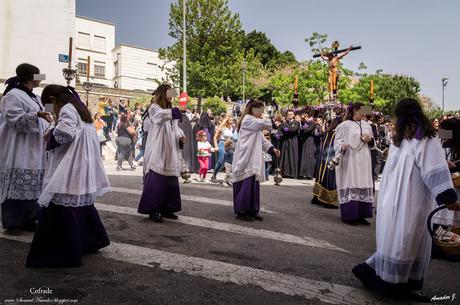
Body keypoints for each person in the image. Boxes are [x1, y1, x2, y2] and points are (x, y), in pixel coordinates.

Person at [352, 98, 459, 302]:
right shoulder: (424, 137)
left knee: (397, 239)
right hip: (411, 199)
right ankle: (392, 284)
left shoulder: (400, 138)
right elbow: (433, 168)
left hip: (391, 198)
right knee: (406, 239)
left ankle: (375, 273)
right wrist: (448, 196)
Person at [26, 85, 110, 268]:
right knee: (79, 203)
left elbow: (64, 134)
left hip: (71, 165)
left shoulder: (67, 109)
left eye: (50, 105)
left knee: (60, 203)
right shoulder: (80, 109)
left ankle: (62, 252)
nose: (52, 110)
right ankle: (90, 241)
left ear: (54, 100)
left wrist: (49, 135)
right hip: (82, 164)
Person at [0, 63, 53, 231]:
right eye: (39, 76)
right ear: (32, 77)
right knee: (19, 184)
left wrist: (51, 103)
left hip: (37, 148)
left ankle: (30, 219)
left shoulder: (35, 97)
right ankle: (14, 221)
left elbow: (46, 112)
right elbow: (14, 120)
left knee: (36, 186)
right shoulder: (12, 96)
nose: (41, 79)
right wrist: (36, 115)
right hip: (20, 149)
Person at [137, 84, 184, 223]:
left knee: (170, 180)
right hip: (158, 146)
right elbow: (158, 117)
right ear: (163, 93)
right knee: (156, 178)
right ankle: (153, 209)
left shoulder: (170, 109)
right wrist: (173, 112)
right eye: (169, 93)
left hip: (170, 147)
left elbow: (175, 128)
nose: (172, 96)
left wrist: (181, 135)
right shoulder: (154, 108)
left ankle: (167, 208)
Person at [232, 100, 280, 222]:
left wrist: (272, 149)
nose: (262, 113)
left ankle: (252, 210)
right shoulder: (248, 119)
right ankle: (242, 211)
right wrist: (272, 115)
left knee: (253, 185)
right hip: (246, 158)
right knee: (246, 184)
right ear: (254, 110)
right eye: (261, 111)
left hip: (252, 158)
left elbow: (262, 139)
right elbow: (266, 124)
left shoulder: (254, 123)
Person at [334, 102, 375, 225]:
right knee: (351, 182)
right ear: (356, 110)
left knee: (362, 183)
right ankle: (350, 215)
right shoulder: (344, 125)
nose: (366, 112)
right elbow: (337, 142)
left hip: (364, 158)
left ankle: (362, 215)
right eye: (364, 110)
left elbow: (374, 144)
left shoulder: (367, 125)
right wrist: (342, 145)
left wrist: (370, 140)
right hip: (350, 158)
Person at [311, 117, 341, 208]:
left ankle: (316, 197)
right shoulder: (336, 133)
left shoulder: (328, 131)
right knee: (330, 177)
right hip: (330, 156)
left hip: (323, 155)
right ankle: (327, 201)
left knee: (320, 176)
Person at [211, 115, 234, 183]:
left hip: (229, 144)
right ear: (226, 121)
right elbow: (215, 137)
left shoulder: (232, 128)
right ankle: (214, 175)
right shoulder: (223, 127)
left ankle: (227, 178)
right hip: (222, 143)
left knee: (230, 162)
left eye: (232, 120)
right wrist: (216, 146)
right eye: (230, 120)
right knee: (221, 161)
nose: (231, 121)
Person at [279, 110, 300, 178]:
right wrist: (288, 129)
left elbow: (294, 130)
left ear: (293, 115)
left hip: (293, 141)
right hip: (285, 141)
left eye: (291, 114)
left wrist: (287, 129)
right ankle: (285, 173)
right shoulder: (284, 123)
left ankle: (293, 173)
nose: (289, 115)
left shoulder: (296, 122)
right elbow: (282, 129)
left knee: (292, 156)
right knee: (285, 156)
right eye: (288, 114)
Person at [298, 112, 317, 179]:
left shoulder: (312, 122)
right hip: (305, 140)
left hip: (309, 140)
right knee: (304, 157)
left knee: (309, 157)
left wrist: (303, 127)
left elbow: (307, 130)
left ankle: (308, 174)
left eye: (304, 117)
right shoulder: (306, 123)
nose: (303, 119)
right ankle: (302, 173)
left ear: (307, 116)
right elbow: (301, 130)